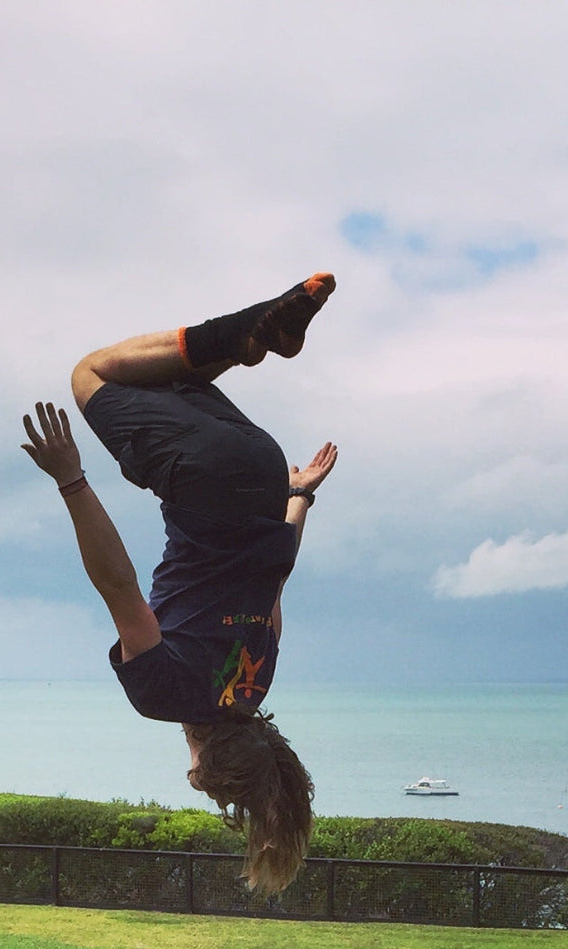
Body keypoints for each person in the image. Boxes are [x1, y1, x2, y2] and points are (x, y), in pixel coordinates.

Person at [21, 273, 338, 895]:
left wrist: (298, 496)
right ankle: (252, 327)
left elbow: (275, 578)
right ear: (203, 762)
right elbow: (119, 587)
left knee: (166, 376)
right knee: (91, 376)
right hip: (203, 478)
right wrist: (71, 480)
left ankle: (258, 333)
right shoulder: (164, 696)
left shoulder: (255, 681)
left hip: (266, 467)